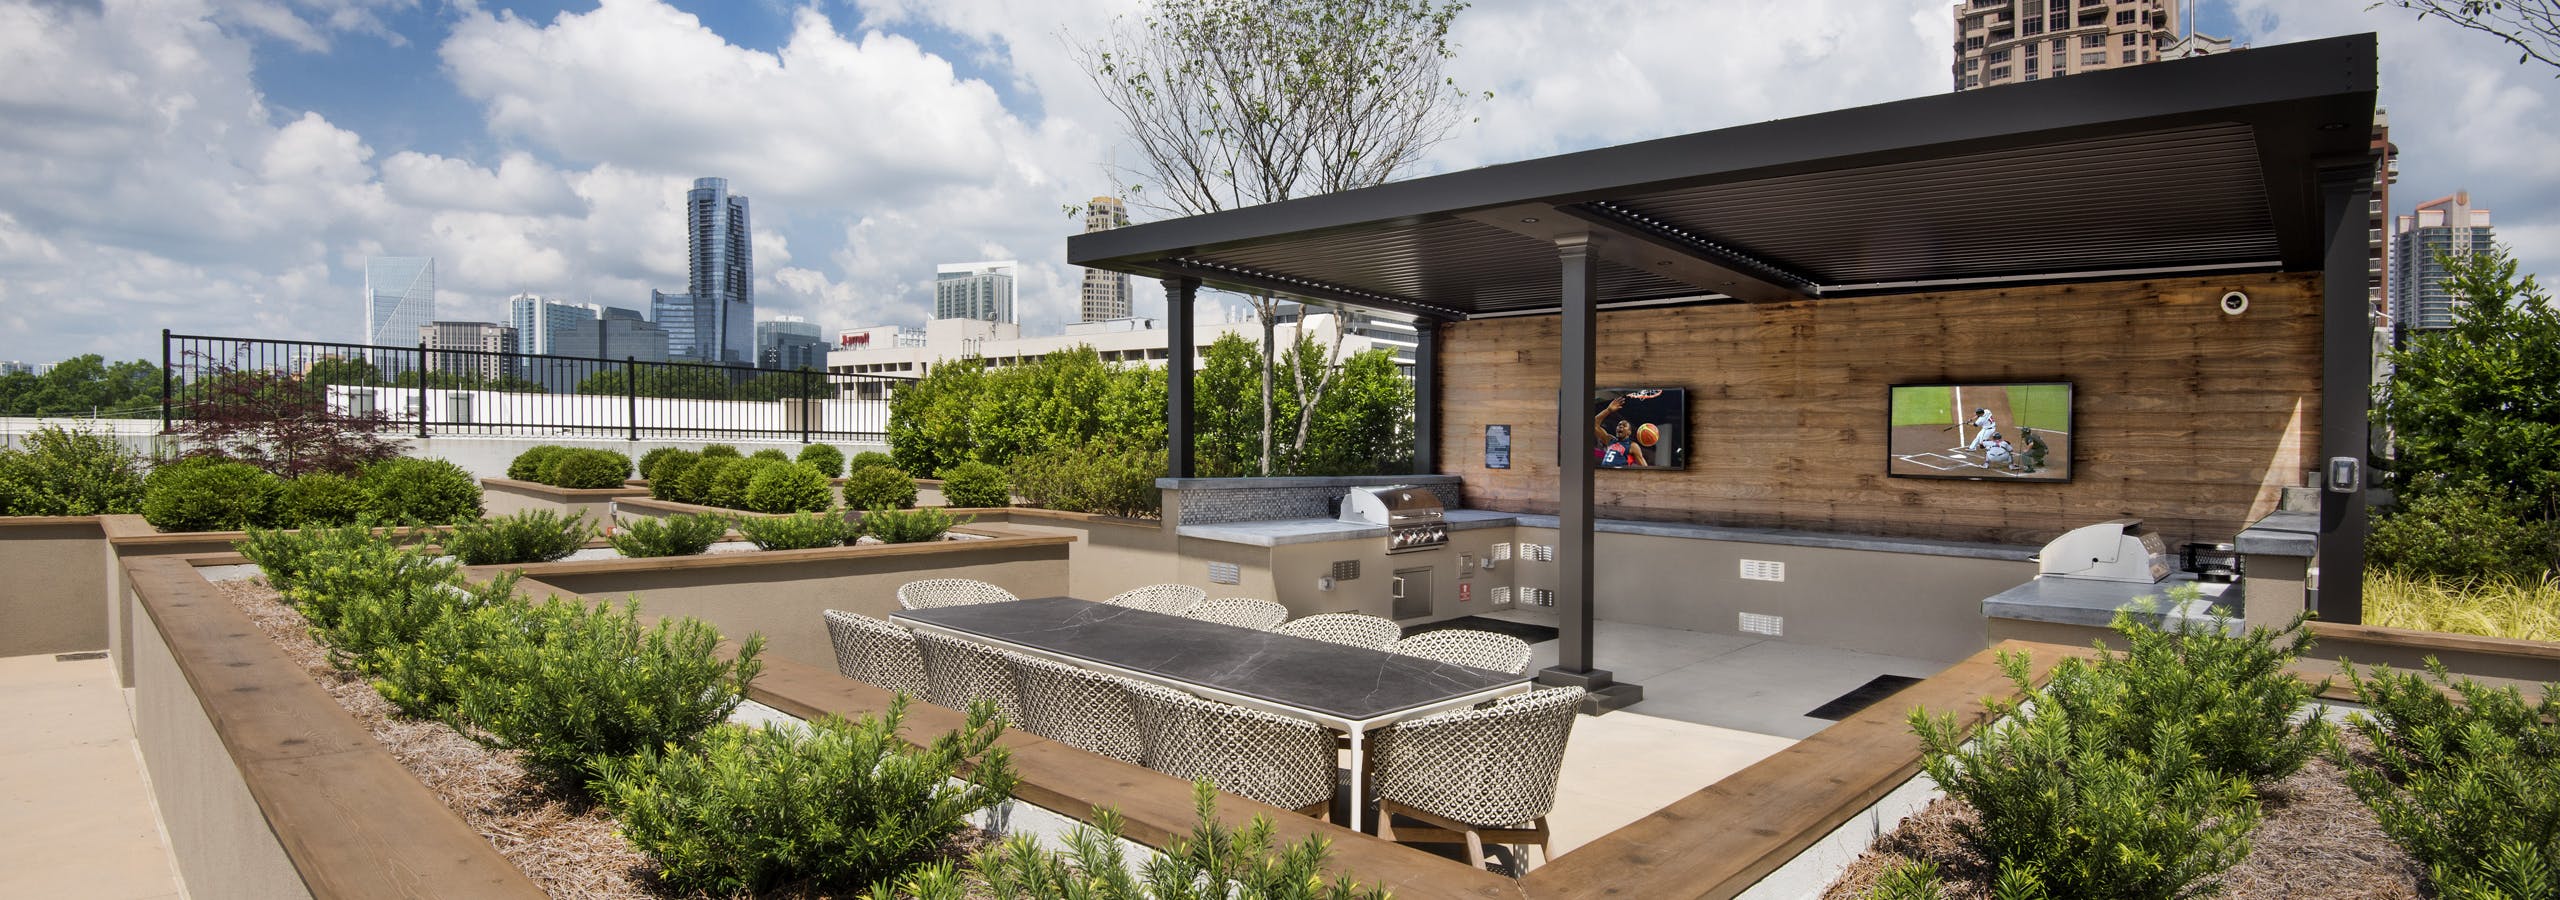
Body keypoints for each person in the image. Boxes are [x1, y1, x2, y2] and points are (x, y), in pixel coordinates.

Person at [1594, 395, 1649, 468]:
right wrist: (1608, 410)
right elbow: (1594, 424)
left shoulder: (1632, 446)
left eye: (1624, 425)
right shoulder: (1610, 440)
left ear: (1629, 432)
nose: (1620, 426)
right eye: (1619, 425)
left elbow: (1645, 468)